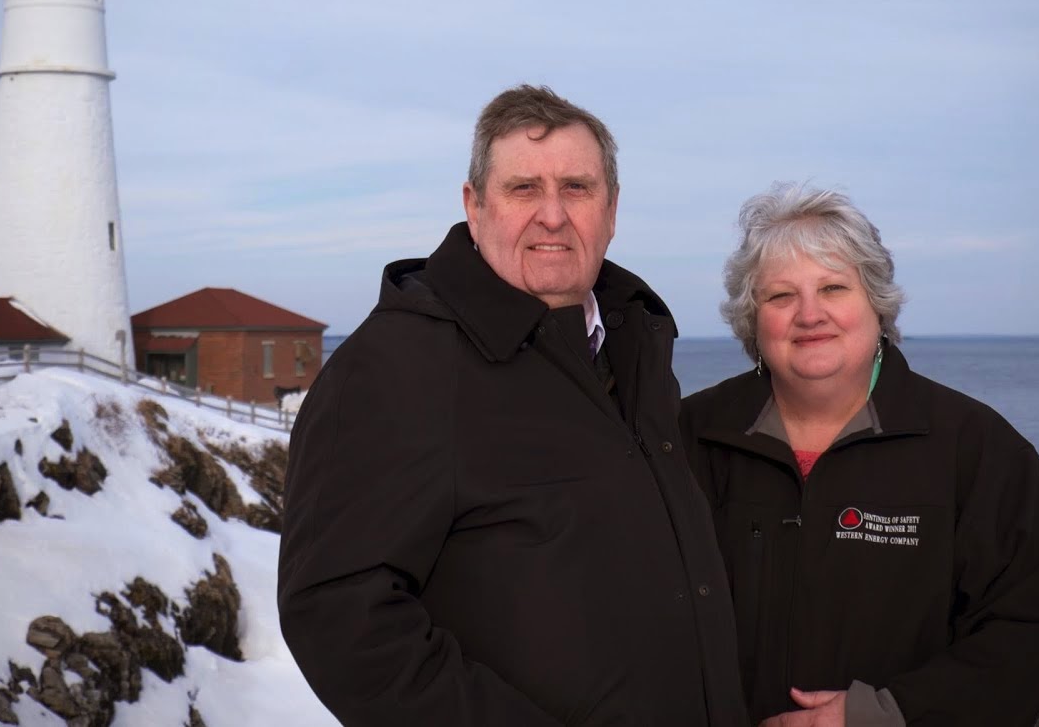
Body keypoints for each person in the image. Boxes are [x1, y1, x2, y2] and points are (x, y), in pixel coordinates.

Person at [278, 85, 749, 727]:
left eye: (577, 188)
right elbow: (338, 615)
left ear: (611, 211)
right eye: (523, 188)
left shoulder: (636, 351)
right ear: (475, 207)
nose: (552, 215)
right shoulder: (396, 367)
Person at [681, 184, 1039, 727]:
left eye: (833, 288)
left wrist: (883, 714)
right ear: (753, 322)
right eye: (780, 297)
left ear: (876, 304)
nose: (809, 314)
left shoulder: (977, 449)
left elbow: (1033, 625)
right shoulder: (687, 437)